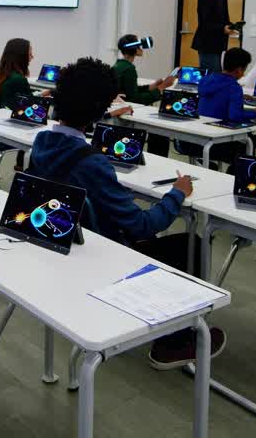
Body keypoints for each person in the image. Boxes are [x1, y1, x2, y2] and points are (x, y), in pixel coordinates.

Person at [27, 58, 225, 369]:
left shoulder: (41, 143)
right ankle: (172, 341)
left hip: (61, 246)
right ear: (98, 109)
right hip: (104, 258)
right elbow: (141, 226)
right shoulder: (91, 163)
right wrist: (177, 194)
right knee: (192, 244)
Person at [189, 0, 237, 73]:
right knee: (211, 75)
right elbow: (204, 23)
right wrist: (222, 29)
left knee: (218, 74)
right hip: (207, 44)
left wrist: (232, 27)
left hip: (219, 44)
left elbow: (225, 19)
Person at [113, 34, 177, 106]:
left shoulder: (118, 65)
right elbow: (135, 100)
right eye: (139, 46)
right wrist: (162, 87)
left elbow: (130, 90)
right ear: (134, 48)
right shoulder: (129, 69)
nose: (141, 49)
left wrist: (153, 86)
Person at [0, 38, 37, 111]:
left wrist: (40, 94)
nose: (32, 57)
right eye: (30, 54)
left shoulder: (5, 74)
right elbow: (30, 104)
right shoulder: (18, 79)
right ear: (21, 56)